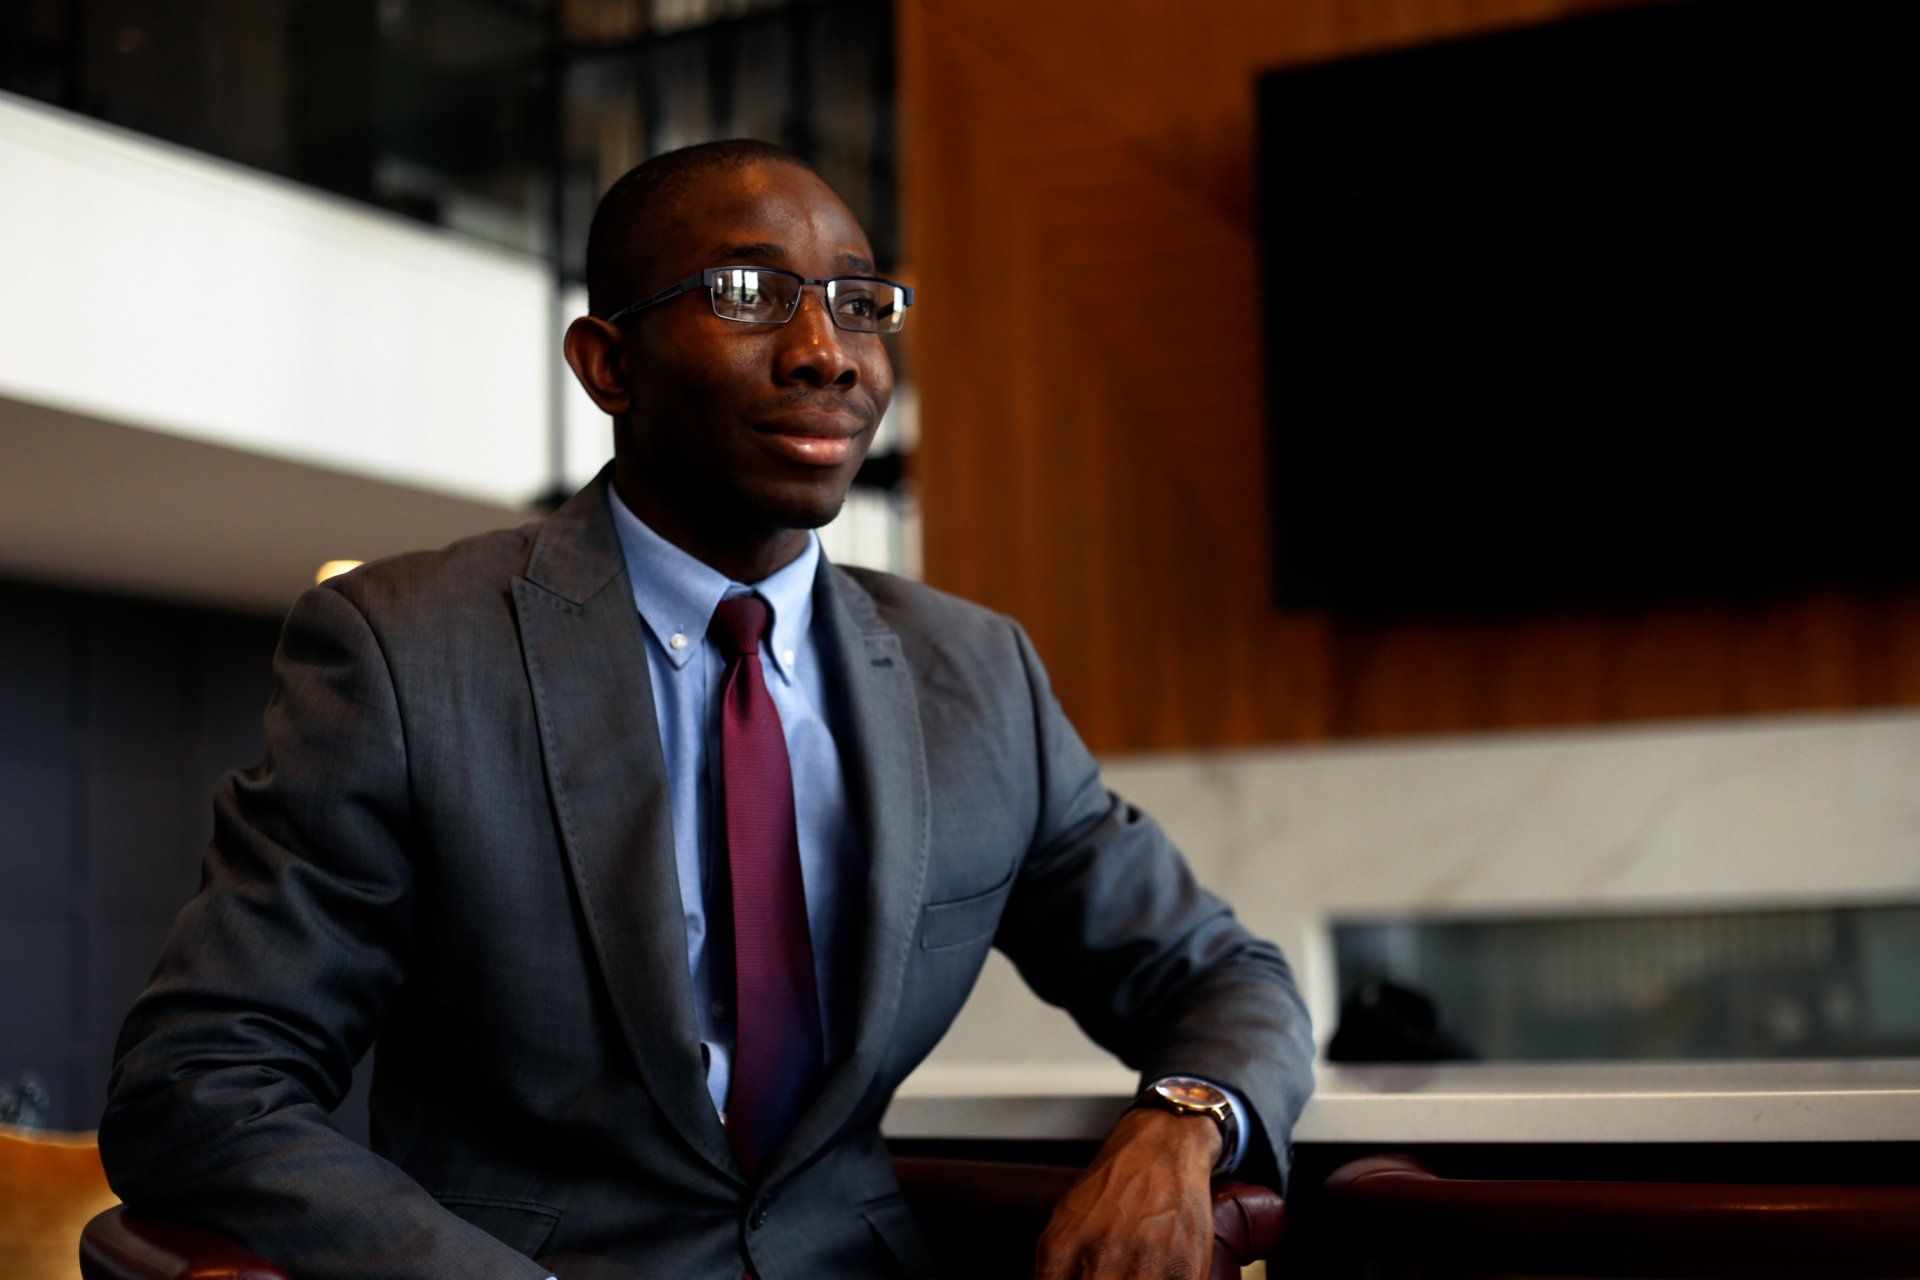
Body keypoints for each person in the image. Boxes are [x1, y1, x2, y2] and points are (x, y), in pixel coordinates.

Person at [98, 139, 1315, 1280]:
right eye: (748, 293)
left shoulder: (975, 673)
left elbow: (1219, 975)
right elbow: (202, 1083)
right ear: (608, 364)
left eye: (859, 302)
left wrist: (1182, 1119)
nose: (827, 352)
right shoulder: (406, 649)